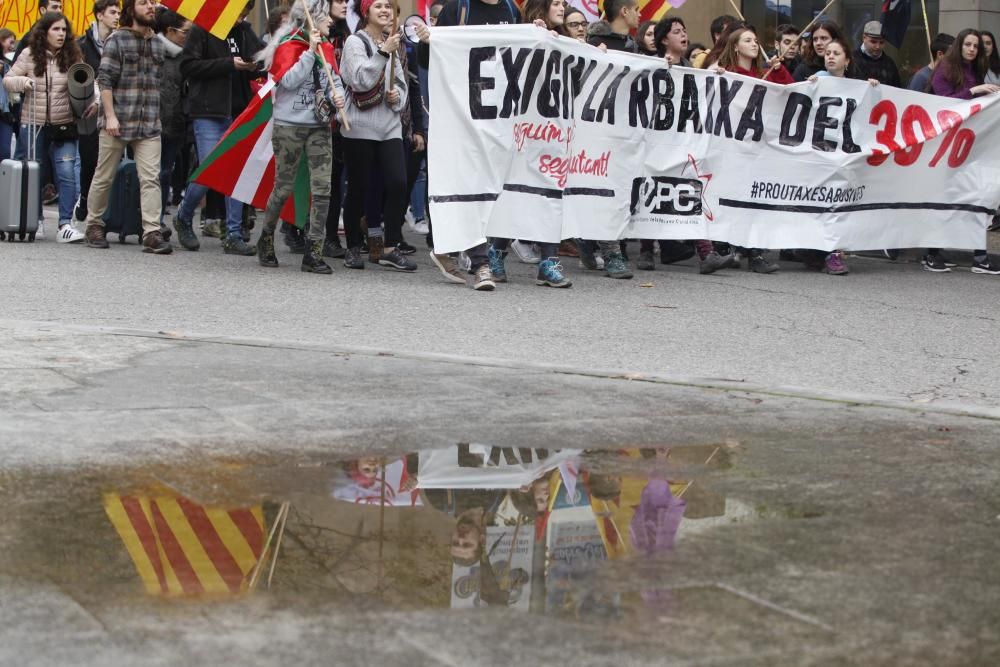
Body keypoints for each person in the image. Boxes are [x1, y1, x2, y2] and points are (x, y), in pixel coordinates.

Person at [415, 0, 523, 290]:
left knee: (493, 188)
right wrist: (427, 42)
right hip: (461, 116)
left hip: (499, 120)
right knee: (469, 185)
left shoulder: (513, 11)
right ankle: (481, 264)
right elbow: (427, 61)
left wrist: (540, 35)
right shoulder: (457, 9)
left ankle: (450, 248)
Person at [254, 0, 342, 274]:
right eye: (325, 16)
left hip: (319, 126)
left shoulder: (328, 47)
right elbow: (288, 82)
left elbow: (333, 81)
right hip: (289, 126)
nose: (331, 21)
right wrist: (310, 52)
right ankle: (266, 236)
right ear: (312, 19)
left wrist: (338, 98)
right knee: (283, 188)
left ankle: (313, 251)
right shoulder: (288, 45)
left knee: (323, 190)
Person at [173, 1, 264, 255]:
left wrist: (256, 64)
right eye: (239, 12)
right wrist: (228, 64)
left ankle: (233, 234)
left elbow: (261, 59)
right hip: (209, 111)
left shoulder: (245, 32)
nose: (242, 17)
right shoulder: (203, 29)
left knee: (236, 176)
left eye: (246, 12)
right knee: (208, 172)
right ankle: (184, 215)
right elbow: (188, 66)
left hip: (239, 112)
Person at [82, 0, 171, 253]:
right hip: (118, 120)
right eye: (144, 3)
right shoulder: (116, 40)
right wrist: (109, 116)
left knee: (151, 178)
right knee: (104, 176)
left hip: (149, 123)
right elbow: (105, 80)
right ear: (132, 9)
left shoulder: (157, 43)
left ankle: (152, 232)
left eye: (153, 2)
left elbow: (158, 81)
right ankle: (94, 225)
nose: (151, 7)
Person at [339, 0, 416, 273]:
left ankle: (390, 246)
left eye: (387, 6)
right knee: (358, 187)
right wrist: (383, 52)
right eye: (378, 6)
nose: (384, 10)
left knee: (398, 183)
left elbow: (401, 82)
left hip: (389, 126)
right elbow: (359, 79)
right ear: (366, 12)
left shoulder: (391, 41)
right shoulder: (354, 43)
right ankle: (352, 246)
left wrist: (397, 97)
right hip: (360, 126)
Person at [3, 12, 94, 243]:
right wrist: (23, 82)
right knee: (36, 174)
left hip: (64, 124)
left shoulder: (73, 54)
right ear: (45, 31)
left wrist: (94, 99)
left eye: (64, 30)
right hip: (33, 123)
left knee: (66, 175)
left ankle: (65, 224)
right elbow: (8, 79)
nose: (61, 34)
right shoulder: (29, 54)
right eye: (56, 29)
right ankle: (36, 221)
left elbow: (86, 83)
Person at [716, 26, 794, 273]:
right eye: (747, 40)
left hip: (758, 148)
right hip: (731, 148)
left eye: (755, 39)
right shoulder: (725, 73)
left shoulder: (765, 74)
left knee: (754, 201)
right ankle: (726, 248)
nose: (753, 43)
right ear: (735, 46)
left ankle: (756, 254)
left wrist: (780, 71)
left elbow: (790, 93)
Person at [923, 29, 1000, 274]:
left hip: (970, 146)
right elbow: (946, 104)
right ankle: (932, 253)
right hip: (946, 147)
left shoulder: (974, 72)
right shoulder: (944, 70)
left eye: (975, 46)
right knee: (945, 200)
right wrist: (975, 92)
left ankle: (980, 257)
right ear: (959, 45)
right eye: (967, 44)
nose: (971, 49)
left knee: (976, 199)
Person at [804, 37, 881, 275]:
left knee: (838, 202)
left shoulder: (856, 87)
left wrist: (872, 89)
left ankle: (834, 254)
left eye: (836, 53)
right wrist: (809, 85)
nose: (830, 56)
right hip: (820, 152)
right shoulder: (817, 79)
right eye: (827, 53)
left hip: (843, 153)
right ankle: (816, 251)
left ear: (847, 60)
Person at [77, 0, 122, 223]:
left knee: (107, 165)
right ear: (99, 15)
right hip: (88, 113)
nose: (116, 17)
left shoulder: (121, 42)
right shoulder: (82, 45)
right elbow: (80, 76)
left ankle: (105, 212)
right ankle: (85, 200)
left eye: (118, 13)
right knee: (89, 162)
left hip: (114, 110)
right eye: (112, 12)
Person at [154, 8, 191, 233]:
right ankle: (147, 221)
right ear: (170, 31)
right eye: (184, 32)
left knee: (165, 172)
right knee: (151, 174)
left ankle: (156, 219)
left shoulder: (186, 57)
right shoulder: (152, 50)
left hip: (176, 123)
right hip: (151, 123)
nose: (187, 36)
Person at [852, 20, 900, 87]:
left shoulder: (889, 64)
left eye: (881, 42)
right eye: (873, 42)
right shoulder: (851, 59)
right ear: (864, 38)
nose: (878, 47)